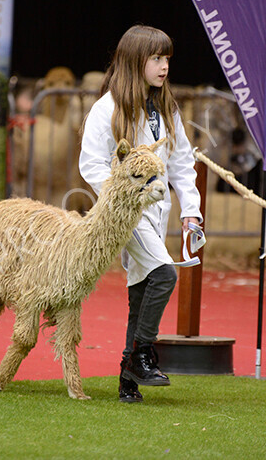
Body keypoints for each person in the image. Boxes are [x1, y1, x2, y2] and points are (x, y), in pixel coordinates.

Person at [79, 25, 202, 402]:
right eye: (156, 58)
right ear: (136, 61)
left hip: (158, 210)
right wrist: (123, 195)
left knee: (143, 289)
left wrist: (191, 211)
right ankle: (143, 355)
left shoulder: (166, 107)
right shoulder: (108, 107)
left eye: (167, 58)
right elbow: (91, 164)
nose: (164, 66)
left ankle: (127, 379)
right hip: (125, 213)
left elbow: (181, 162)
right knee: (164, 276)